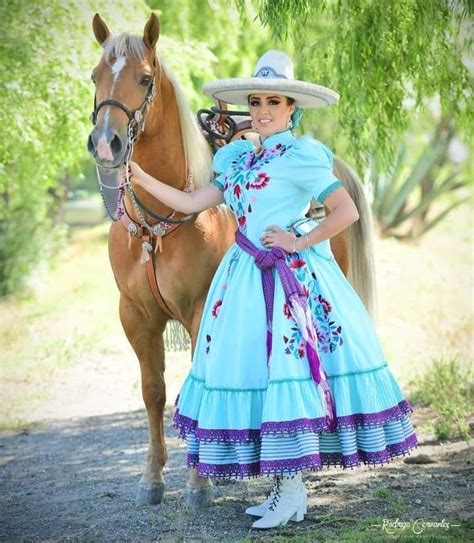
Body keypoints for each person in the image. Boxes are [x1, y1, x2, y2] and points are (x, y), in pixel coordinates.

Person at [129, 50, 418, 530]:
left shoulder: (303, 156)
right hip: (243, 277)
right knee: (259, 377)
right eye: (257, 100)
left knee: (289, 376)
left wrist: (297, 239)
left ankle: (294, 491)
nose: (263, 109)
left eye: (274, 101)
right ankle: (283, 490)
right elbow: (189, 200)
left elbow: (346, 211)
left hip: (290, 279)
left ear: (291, 109)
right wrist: (141, 178)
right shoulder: (242, 158)